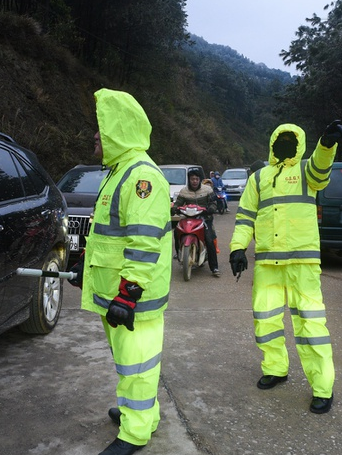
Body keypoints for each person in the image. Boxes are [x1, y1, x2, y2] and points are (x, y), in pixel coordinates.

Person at [69, 88, 172, 455]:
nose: (94, 134)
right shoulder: (119, 172)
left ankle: (135, 433)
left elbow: (144, 242)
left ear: (119, 127)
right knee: (129, 365)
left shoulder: (141, 177)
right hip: (118, 292)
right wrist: (86, 264)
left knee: (137, 366)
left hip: (133, 297)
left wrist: (129, 294)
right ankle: (139, 413)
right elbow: (110, 236)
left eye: (101, 125)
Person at [228, 120, 342, 415]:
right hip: (268, 264)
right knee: (266, 322)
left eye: (291, 139)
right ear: (272, 144)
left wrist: (327, 145)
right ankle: (276, 369)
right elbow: (245, 216)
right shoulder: (258, 178)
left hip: (302, 265)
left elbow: (321, 169)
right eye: (280, 139)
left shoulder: (307, 171)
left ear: (300, 143)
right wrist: (237, 247)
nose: (285, 144)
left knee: (311, 326)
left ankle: (322, 388)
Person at [172, 167, 221, 277]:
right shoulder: (184, 191)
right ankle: (179, 254)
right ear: (189, 180)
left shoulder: (207, 190)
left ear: (200, 180)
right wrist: (174, 208)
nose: (194, 181)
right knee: (176, 233)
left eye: (196, 179)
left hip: (204, 218)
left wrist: (212, 208)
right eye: (192, 179)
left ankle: (214, 268)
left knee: (209, 239)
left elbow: (214, 202)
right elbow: (178, 203)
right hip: (187, 218)